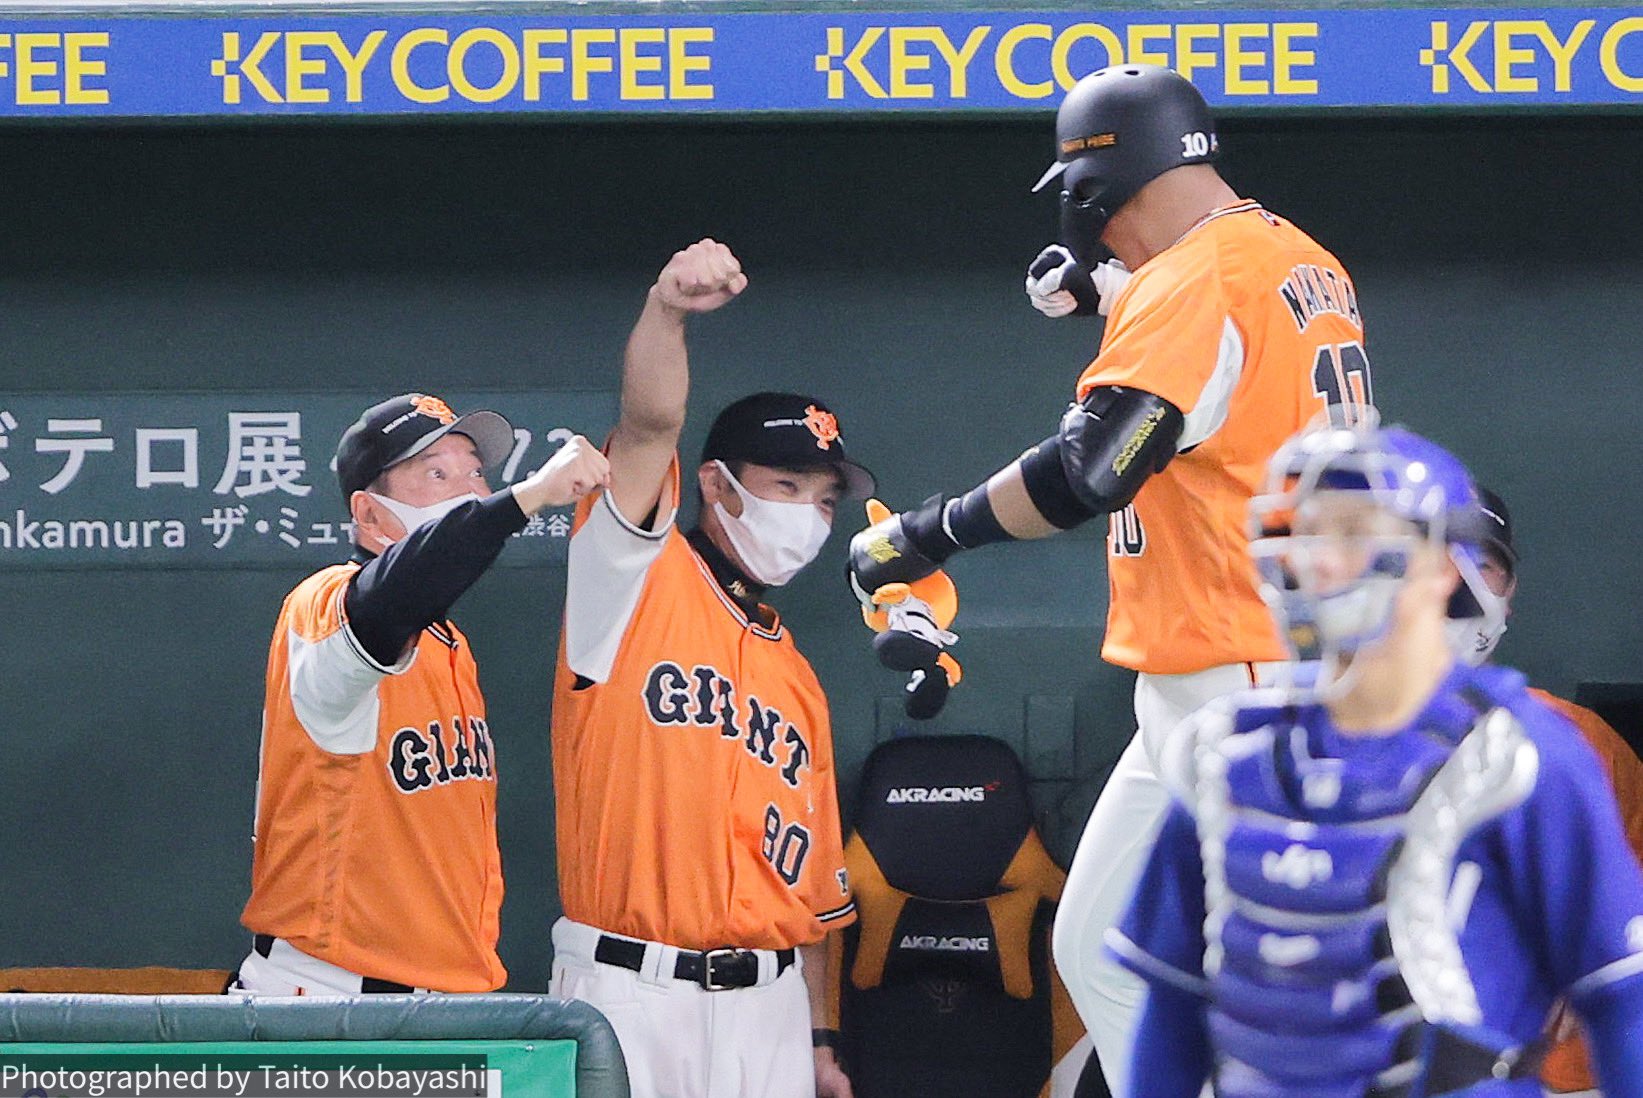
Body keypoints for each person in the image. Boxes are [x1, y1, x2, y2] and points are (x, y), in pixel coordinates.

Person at [845, 62, 1372, 1092]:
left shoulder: (1193, 280)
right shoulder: (1297, 257)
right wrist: (1108, 294)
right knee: (1102, 951)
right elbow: (1222, 367)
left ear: (1097, 185)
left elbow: (1089, 470)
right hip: (1240, 672)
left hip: (1245, 681)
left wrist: (929, 533)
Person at [1105, 420, 1643, 1097]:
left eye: (1354, 534)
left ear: (1441, 566)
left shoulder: (1522, 758)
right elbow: (1171, 1006)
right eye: (1306, 534)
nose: (1322, 561)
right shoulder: (1228, 753)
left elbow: (1619, 999)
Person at [549, 239, 866, 1098]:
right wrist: (668, 312)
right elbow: (649, 427)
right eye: (787, 486)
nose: (810, 514)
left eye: (825, 498)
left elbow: (812, 897)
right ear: (718, 486)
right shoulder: (631, 576)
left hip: (769, 1008)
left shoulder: (795, 677)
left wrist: (819, 1038)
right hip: (631, 989)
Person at [233, 392, 608, 995]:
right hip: (329, 995)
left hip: (435, 999)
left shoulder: (447, 642)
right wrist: (528, 496)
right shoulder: (324, 604)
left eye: (475, 474)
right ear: (369, 513)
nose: (468, 492)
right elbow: (394, 594)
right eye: (436, 474)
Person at [1455, 487, 1643, 1098]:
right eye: (1435, 560)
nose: (1458, 585)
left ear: (1509, 595)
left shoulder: (1577, 743)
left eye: (1483, 565)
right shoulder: (1307, 752)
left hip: (1564, 1077)